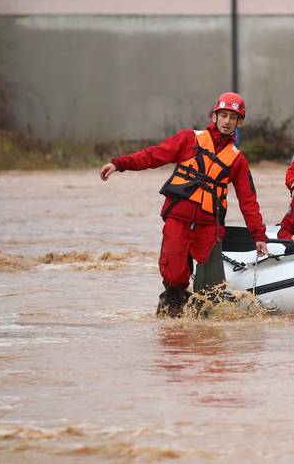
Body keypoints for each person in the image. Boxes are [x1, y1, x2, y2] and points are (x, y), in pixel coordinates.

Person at [100, 92, 268, 318]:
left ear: (239, 122)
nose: (227, 121)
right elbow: (153, 156)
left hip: (209, 226)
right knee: (175, 277)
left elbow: (248, 202)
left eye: (233, 117)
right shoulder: (189, 139)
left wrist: (259, 235)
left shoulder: (238, 160)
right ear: (215, 116)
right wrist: (119, 164)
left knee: (212, 289)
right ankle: (175, 321)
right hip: (178, 219)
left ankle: (205, 331)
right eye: (224, 115)